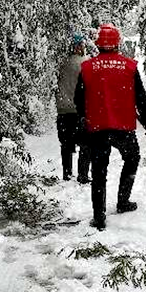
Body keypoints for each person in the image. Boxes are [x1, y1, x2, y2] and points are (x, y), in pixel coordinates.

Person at [74, 24, 146, 231]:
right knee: (132, 158)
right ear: (118, 43)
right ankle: (123, 201)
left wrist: (85, 116)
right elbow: (141, 98)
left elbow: (78, 99)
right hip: (123, 127)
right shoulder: (129, 66)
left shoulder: (87, 67)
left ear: (98, 44)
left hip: (97, 128)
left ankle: (99, 217)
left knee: (99, 172)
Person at [55, 33, 89, 182]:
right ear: (81, 47)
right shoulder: (86, 63)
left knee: (66, 144)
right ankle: (83, 175)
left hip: (63, 109)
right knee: (86, 143)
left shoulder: (62, 63)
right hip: (80, 110)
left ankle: (67, 174)